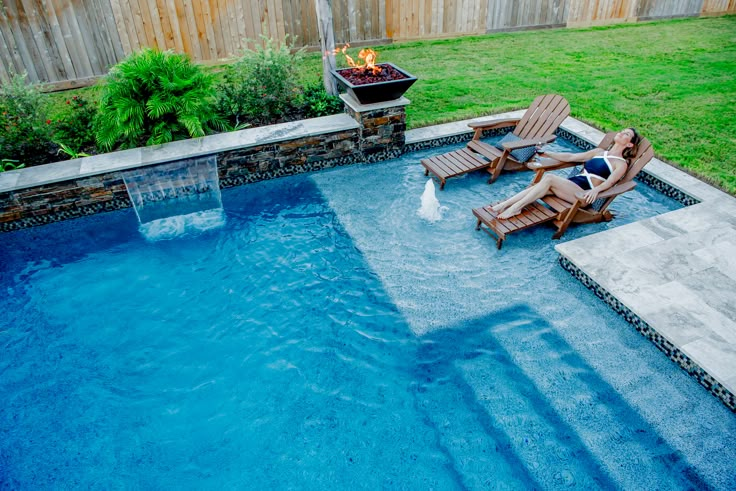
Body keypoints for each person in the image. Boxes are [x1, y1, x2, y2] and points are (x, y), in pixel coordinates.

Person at [489, 128, 641, 219]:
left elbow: (611, 182)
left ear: (629, 144)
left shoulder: (620, 163)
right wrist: (548, 154)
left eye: (626, 134)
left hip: (583, 195)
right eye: (622, 131)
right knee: (542, 186)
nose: (621, 133)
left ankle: (515, 208)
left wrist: (595, 190)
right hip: (571, 186)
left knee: (548, 178)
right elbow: (571, 157)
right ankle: (505, 204)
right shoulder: (599, 152)